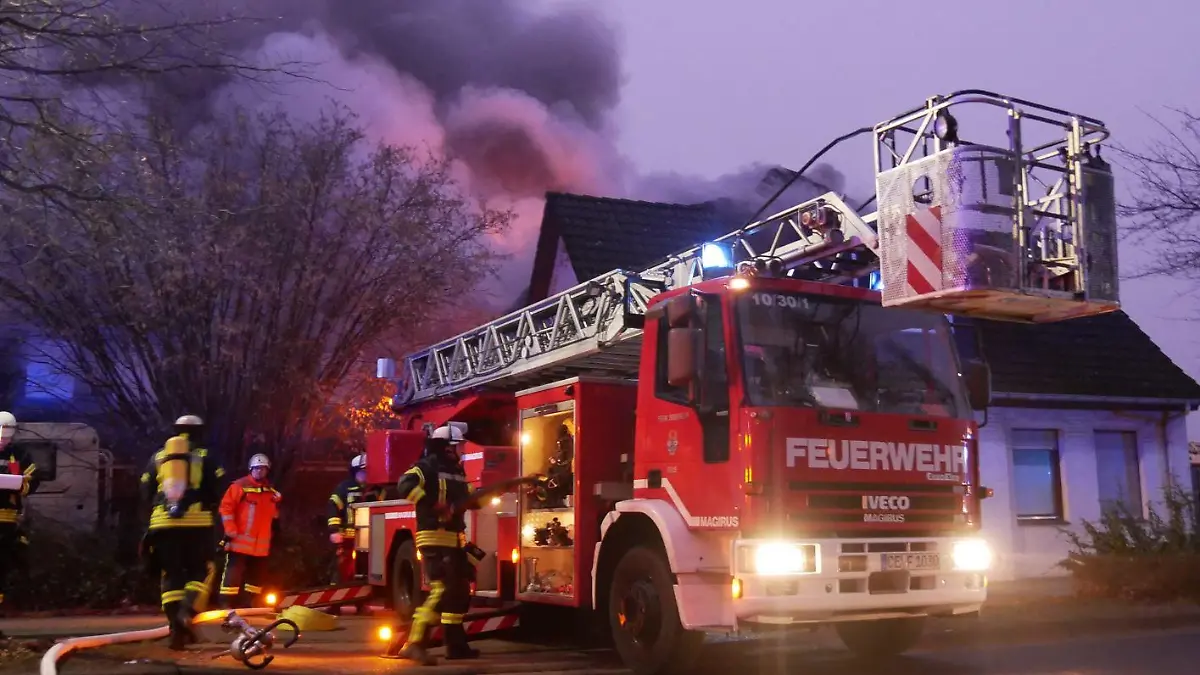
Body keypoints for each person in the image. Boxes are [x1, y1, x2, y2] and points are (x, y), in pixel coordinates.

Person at [392, 424, 482, 665]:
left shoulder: (457, 471)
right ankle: (415, 644)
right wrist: (432, 505)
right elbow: (404, 485)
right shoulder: (426, 466)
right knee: (441, 590)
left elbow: (470, 497)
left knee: (458, 592)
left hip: (454, 540)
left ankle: (455, 645)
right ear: (447, 447)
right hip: (433, 537)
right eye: (459, 446)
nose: (462, 450)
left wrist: (484, 496)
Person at [139, 414, 225, 650]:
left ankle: (176, 631)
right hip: (197, 525)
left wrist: (160, 510)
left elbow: (145, 488)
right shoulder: (207, 456)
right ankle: (186, 612)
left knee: (171, 574)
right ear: (200, 432)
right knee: (201, 570)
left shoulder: (158, 457)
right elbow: (219, 487)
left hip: (161, 525)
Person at [217, 453, 281, 609]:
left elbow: (272, 515)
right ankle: (227, 604)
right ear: (251, 469)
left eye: (263, 469)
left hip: (260, 544)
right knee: (233, 574)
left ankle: (252, 604)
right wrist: (230, 529)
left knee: (256, 576)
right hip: (239, 541)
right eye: (257, 468)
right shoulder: (239, 486)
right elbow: (226, 508)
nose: (260, 471)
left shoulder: (269, 492)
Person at [0, 411, 39, 615]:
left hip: (7, 519)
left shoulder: (20, 455)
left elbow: (32, 480)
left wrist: (18, 484)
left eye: (6, 437)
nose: (2, 440)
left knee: (2, 567)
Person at [326, 452, 385, 584]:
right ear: (355, 471)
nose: (366, 474)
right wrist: (334, 530)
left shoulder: (376, 490)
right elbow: (333, 507)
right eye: (363, 471)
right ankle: (336, 592)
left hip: (371, 538)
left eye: (368, 471)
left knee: (368, 569)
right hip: (348, 538)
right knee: (342, 569)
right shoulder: (344, 488)